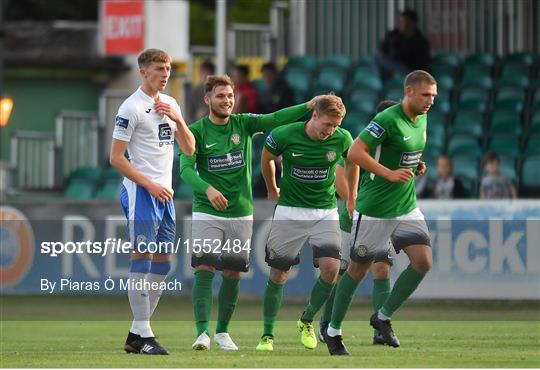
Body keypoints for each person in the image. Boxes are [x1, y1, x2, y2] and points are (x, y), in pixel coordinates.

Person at [180, 74, 322, 351]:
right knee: (204, 267)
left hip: (241, 211)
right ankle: (201, 334)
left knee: (233, 273)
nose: (227, 100)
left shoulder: (243, 124)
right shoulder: (195, 131)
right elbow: (185, 169)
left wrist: (308, 106)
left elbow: (275, 118)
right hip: (207, 211)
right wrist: (207, 189)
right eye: (221, 96)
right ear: (208, 99)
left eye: (230, 95)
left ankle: (222, 333)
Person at [322, 70, 435, 355]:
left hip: (406, 205)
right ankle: (333, 330)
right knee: (357, 269)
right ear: (409, 91)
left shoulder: (422, 118)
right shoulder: (386, 119)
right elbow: (356, 153)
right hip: (375, 209)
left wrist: (415, 166)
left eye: (433, 96)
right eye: (425, 95)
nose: (430, 101)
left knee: (423, 262)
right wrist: (388, 173)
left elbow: (404, 153)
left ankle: (382, 317)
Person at [110, 48, 195, 355]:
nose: (165, 74)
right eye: (159, 68)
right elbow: (116, 158)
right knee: (142, 259)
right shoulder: (130, 108)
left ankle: (137, 333)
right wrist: (149, 185)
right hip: (141, 193)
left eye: (169, 69)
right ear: (143, 72)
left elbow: (189, 148)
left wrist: (179, 120)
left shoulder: (171, 103)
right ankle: (144, 334)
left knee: (163, 263)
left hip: (164, 195)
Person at [255, 95, 354, 352]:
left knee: (332, 269)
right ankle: (267, 335)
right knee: (279, 274)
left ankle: (307, 320)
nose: (330, 130)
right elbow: (266, 158)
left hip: (325, 211)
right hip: (290, 211)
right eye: (327, 124)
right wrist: (271, 187)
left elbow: (351, 162)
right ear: (314, 115)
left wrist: (351, 197)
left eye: (335, 125)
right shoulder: (285, 134)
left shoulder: (343, 138)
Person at [318, 100, 402, 347]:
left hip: (381, 217)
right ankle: (327, 323)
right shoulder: (363, 144)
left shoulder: (399, 147)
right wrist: (350, 201)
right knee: (341, 271)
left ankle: (380, 328)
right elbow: (339, 173)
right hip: (353, 219)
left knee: (382, 268)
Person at [374, 9, 431, 81]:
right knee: (377, 58)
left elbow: (422, 62)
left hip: (409, 70)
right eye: (400, 21)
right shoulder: (393, 35)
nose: (400, 24)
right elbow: (383, 50)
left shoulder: (421, 41)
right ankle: (385, 83)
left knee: (401, 70)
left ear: (412, 23)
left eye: (403, 21)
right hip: (393, 66)